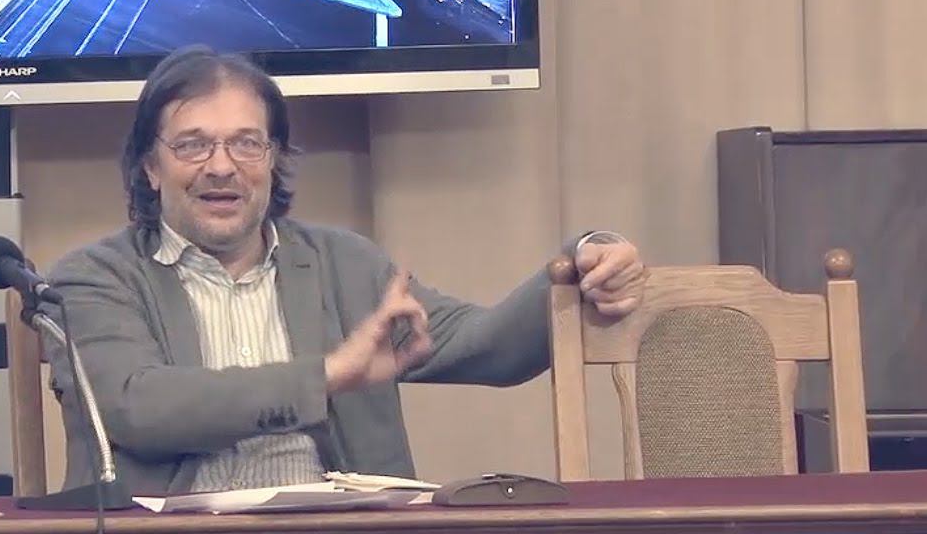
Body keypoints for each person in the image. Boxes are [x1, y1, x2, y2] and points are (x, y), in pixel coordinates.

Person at [42, 46, 648, 496]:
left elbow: (490, 347)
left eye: (247, 144)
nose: (221, 167)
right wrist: (330, 374)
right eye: (192, 145)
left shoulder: (346, 264)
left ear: (273, 160)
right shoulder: (92, 279)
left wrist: (582, 262)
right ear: (150, 167)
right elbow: (139, 408)